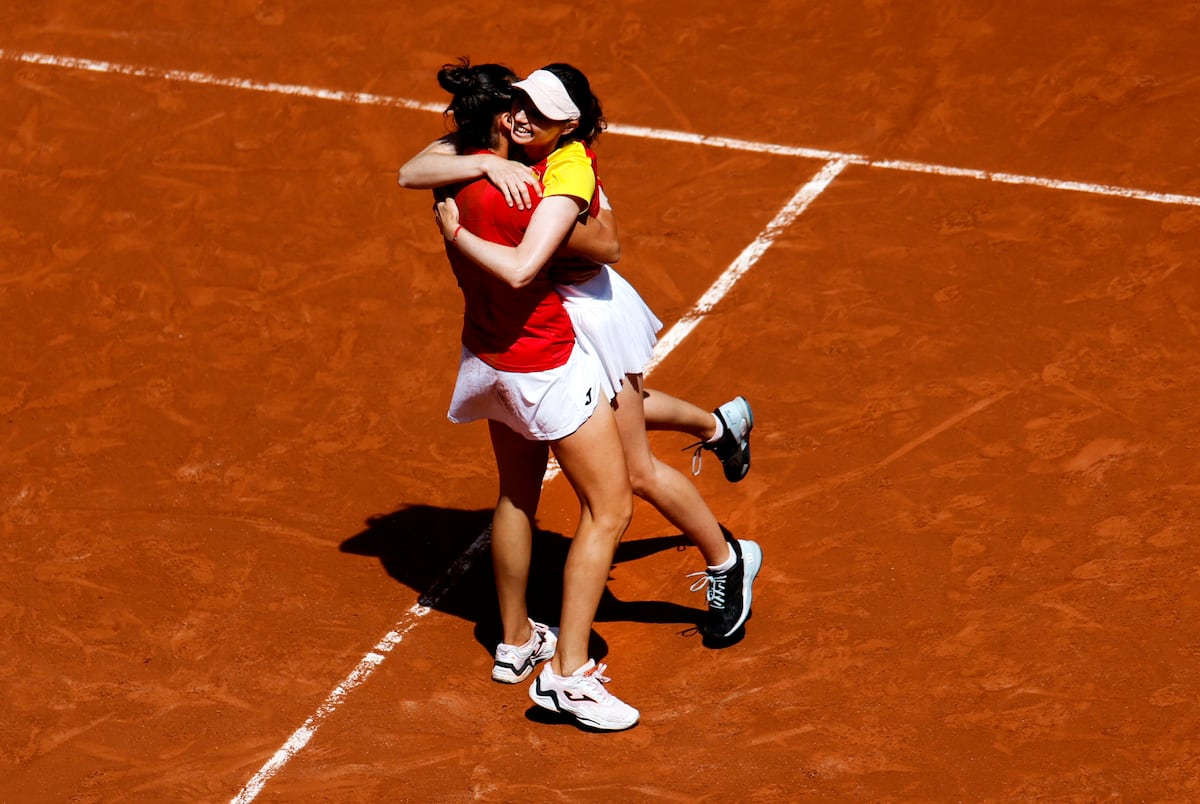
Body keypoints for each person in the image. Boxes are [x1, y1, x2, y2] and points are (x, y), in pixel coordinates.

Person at [423, 64, 762, 664]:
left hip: (589, 316)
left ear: (570, 125)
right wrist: (488, 163)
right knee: (612, 413)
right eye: (521, 102)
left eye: (543, 112)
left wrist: (472, 226)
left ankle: (729, 560)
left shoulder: (566, 171)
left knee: (633, 471)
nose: (525, 117)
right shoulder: (506, 152)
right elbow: (411, 170)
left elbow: (604, 245)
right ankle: (716, 427)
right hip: (554, 317)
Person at [413, 59, 639, 731]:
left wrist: (456, 222)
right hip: (542, 366)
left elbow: (412, 168)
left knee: (517, 494)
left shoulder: (454, 175)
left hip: (486, 358)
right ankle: (568, 676)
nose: (523, 118)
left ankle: (515, 640)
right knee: (610, 510)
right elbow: (597, 247)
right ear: (500, 116)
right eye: (517, 107)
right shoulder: (528, 193)